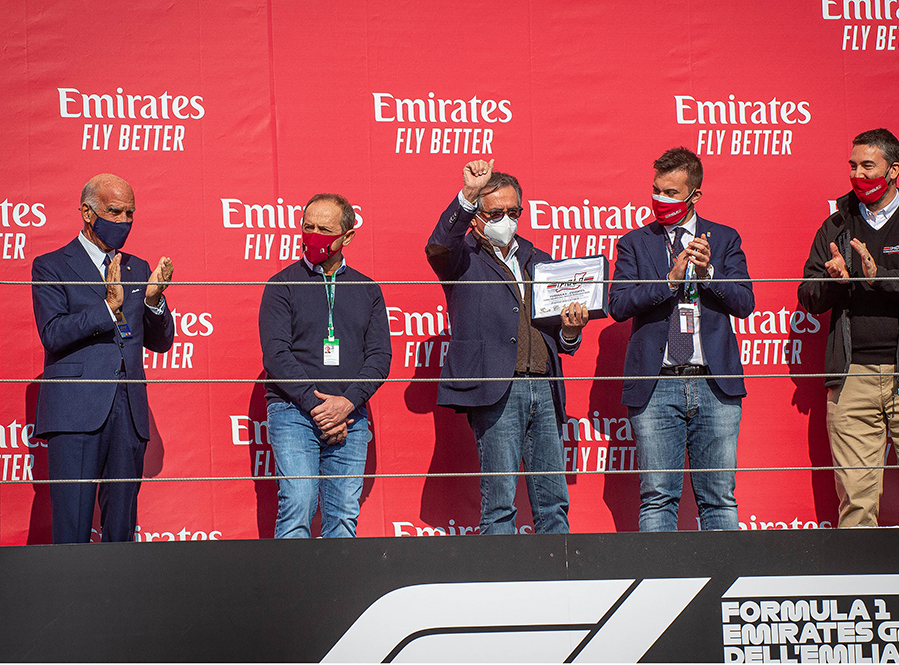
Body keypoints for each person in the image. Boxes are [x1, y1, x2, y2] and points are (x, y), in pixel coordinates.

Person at [798, 128, 899, 527]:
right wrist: (836, 281)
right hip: (853, 380)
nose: (858, 174)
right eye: (852, 165)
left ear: (894, 169)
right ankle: (859, 588)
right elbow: (809, 297)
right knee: (856, 502)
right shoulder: (835, 225)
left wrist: (877, 275)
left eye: (868, 165)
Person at [426, 159, 589, 535]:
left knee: (553, 501)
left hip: (545, 386)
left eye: (513, 212)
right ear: (477, 217)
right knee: (499, 502)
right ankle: (498, 587)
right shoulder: (460, 257)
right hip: (496, 388)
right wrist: (467, 194)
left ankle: (561, 586)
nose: (506, 220)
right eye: (496, 212)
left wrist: (570, 332)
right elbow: (438, 242)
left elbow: (560, 335)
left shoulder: (541, 261)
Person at [609, 147, 754, 532]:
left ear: (695, 196)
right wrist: (670, 280)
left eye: (672, 193)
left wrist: (708, 276)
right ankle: (660, 587)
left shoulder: (723, 239)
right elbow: (619, 304)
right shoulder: (635, 243)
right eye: (657, 190)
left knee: (719, 497)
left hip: (714, 384)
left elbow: (745, 303)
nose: (661, 200)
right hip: (657, 385)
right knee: (657, 498)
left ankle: (725, 584)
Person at [31, 173, 175, 544]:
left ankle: (121, 600)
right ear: (87, 212)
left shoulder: (138, 268)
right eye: (114, 212)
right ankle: (67, 601)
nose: (124, 222)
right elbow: (53, 334)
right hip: (76, 409)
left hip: (128, 410)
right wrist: (108, 308)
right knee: (72, 525)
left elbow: (159, 343)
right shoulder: (51, 265)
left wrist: (154, 301)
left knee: (122, 530)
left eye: (130, 213)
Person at [259, 193, 391, 538]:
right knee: (298, 504)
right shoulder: (281, 286)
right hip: (293, 412)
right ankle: (292, 592)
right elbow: (276, 355)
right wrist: (319, 408)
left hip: (352, 414)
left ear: (347, 237)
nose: (313, 235)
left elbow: (380, 357)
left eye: (325, 229)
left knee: (345, 515)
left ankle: (340, 592)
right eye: (308, 227)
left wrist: (347, 403)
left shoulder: (368, 290)